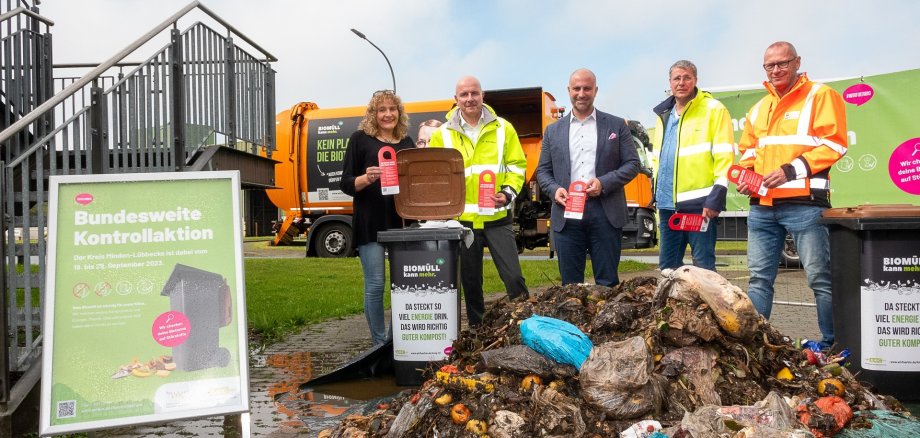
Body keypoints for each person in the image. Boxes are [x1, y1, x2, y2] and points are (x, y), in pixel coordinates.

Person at [736, 42, 848, 349]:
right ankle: (755, 344)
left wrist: (791, 170)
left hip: (805, 205)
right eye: (769, 66)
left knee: (820, 279)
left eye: (782, 63)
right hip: (761, 207)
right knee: (758, 280)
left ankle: (832, 345)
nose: (776, 70)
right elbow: (748, 152)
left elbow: (835, 144)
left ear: (797, 61)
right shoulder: (759, 108)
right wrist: (746, 176)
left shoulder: (820, 95)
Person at [428, 76, 529, 327]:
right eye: (464, 94)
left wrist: (506, 193)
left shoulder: (504, 128)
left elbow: (518, 167)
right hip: (462, 223)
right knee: (471, 284)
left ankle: (527, 326)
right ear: (456, 99)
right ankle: (478, 332)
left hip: (497, 218)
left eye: (474, 93)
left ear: (483, 96)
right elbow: (436, 176)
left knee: (514, 278)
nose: (469, 98)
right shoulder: (442, 135)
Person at [535, 68, 640, 286]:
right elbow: (543, 171)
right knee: (570, 287)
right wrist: (555, 190)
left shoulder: (616, 125)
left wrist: (604, 183)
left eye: (587, 88)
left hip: (605, 212)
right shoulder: (552, 131)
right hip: (567, 214)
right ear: (569, 90)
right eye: (576, 88)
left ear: (595, 91)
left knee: (608, 283)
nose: (581, 93)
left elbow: (632, 164)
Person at [339, 90, 414, 346]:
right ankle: (379, 343)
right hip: (370, 222)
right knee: (375, 285)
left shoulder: (407, 142)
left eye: (392, 109)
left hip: (401, 223)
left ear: (399, 113)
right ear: (373, 114)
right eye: (382, 110)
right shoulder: (360, 139)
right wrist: (366, 178)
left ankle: (396, 341)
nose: (388, 114)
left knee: (401, 287)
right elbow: (346, 183)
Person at [651, 60, 734, 271]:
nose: (681, 82)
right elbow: (659, 159)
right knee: (668, 269)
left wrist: (717, 195)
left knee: (704, 268)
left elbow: (724, 156)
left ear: (695, 80)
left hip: (699, 206)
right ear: (669, 82)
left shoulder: (713, 109)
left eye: (687, 77)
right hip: (668, 206)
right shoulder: (664, 115)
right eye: (676, 78)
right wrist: (656, 191)